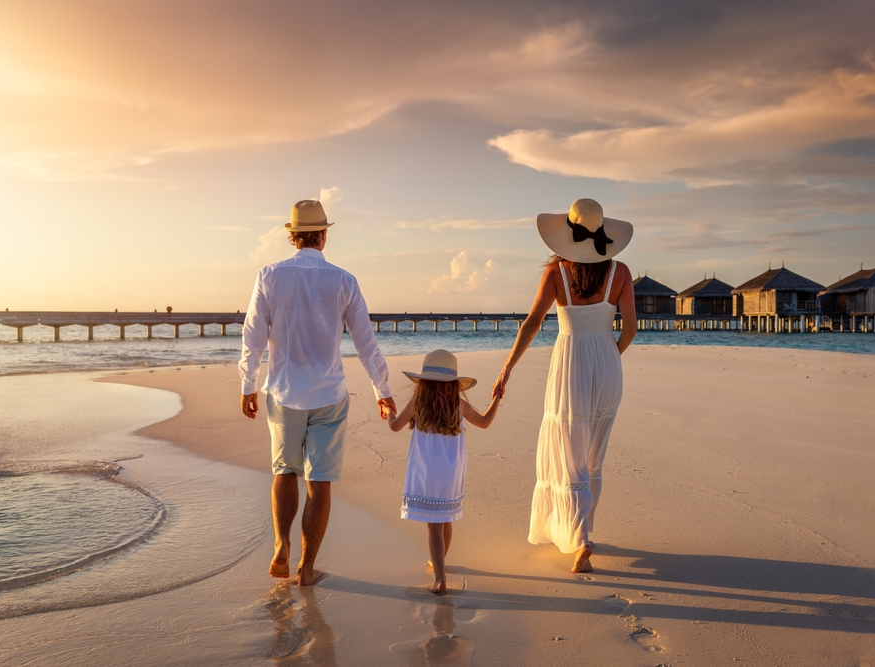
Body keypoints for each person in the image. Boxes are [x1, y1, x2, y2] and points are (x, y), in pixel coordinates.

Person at [239, 199, 397, 586]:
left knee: (284, 471)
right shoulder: (344, 280)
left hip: (283, 390)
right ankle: (307, 568)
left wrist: (247, 385)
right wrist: (383, 389)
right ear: (323, 236)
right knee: (319, 481)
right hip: (328, 393)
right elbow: (366, 343)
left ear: (293, 236)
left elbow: (253, 337)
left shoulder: (270, 275)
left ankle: (281, 545)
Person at [493, 198, 637, 573]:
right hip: (607, 365)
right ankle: (584, 530)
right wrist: (608, 358)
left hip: (570, 363)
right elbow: (632, 329)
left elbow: (531, 325)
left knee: (569, 454)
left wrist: (507, 368)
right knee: (594, 457)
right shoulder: (620, 271)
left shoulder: (557, 274)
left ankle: (581, 539)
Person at [387, 349, 500, 595]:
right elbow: (484, 422)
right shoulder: (457, 403)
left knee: (433, 527)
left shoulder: (418, 402)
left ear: (424, 382)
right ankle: (438, 562)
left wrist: (389, 412)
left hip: (427, 472)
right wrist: (497, 399)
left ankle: (440, 579)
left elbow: (396, 426)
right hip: (451, 472)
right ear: (453, 384)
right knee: (445, 519)